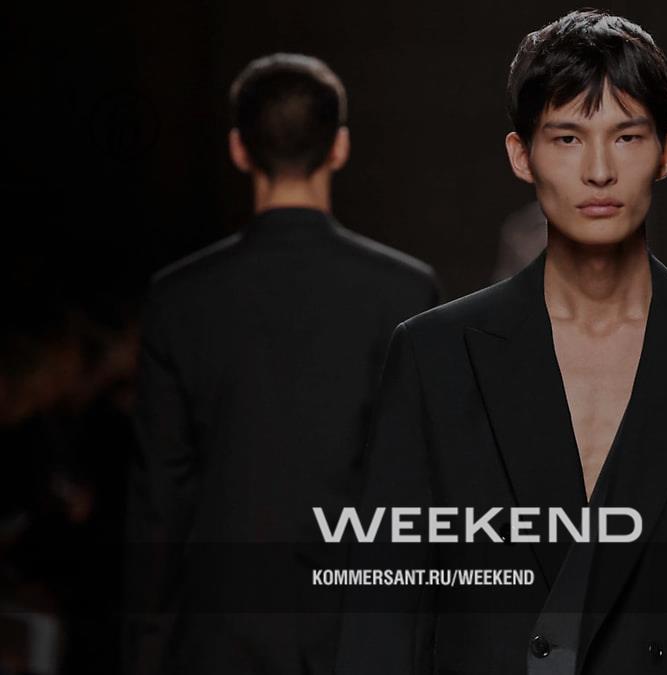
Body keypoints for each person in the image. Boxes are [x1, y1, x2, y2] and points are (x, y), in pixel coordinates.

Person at [336, 10, 667, 674]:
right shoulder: (435, 358)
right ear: (522, 155)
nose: (599, 170)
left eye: (627, 137)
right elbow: (384, 625)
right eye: (567, 138)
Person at [125, 53, 439, 675]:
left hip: (220, 634)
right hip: (359, 634)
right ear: (339, 147)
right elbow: (424, 492)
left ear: (239, 149)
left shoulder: (180, 298)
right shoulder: (406, 292)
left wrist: (145, 649)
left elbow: (159, 497)